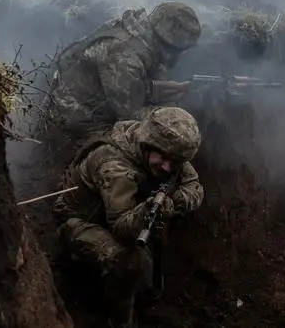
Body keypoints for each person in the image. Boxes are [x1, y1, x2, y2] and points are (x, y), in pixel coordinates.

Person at [52, 106, 204, 328]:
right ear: (148, 143)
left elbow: (195, 187)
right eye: (163, 159)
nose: (167, 167)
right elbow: (122, 228)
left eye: (175, 162)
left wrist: (174, 202)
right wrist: (147, 211)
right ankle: (120, 321)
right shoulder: (114, 167)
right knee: (127, 262)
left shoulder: (166, 147)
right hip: (80, 220)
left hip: (117, 209)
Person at [43, 2, 202, 145]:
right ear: (167, 43)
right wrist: (175, 114)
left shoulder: (136, 29)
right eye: (179, 50)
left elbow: (133, 83)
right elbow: (130, 115)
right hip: (76, 118)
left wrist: (174, 90)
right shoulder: (124, 55)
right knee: (137, 150)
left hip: (95, 99)